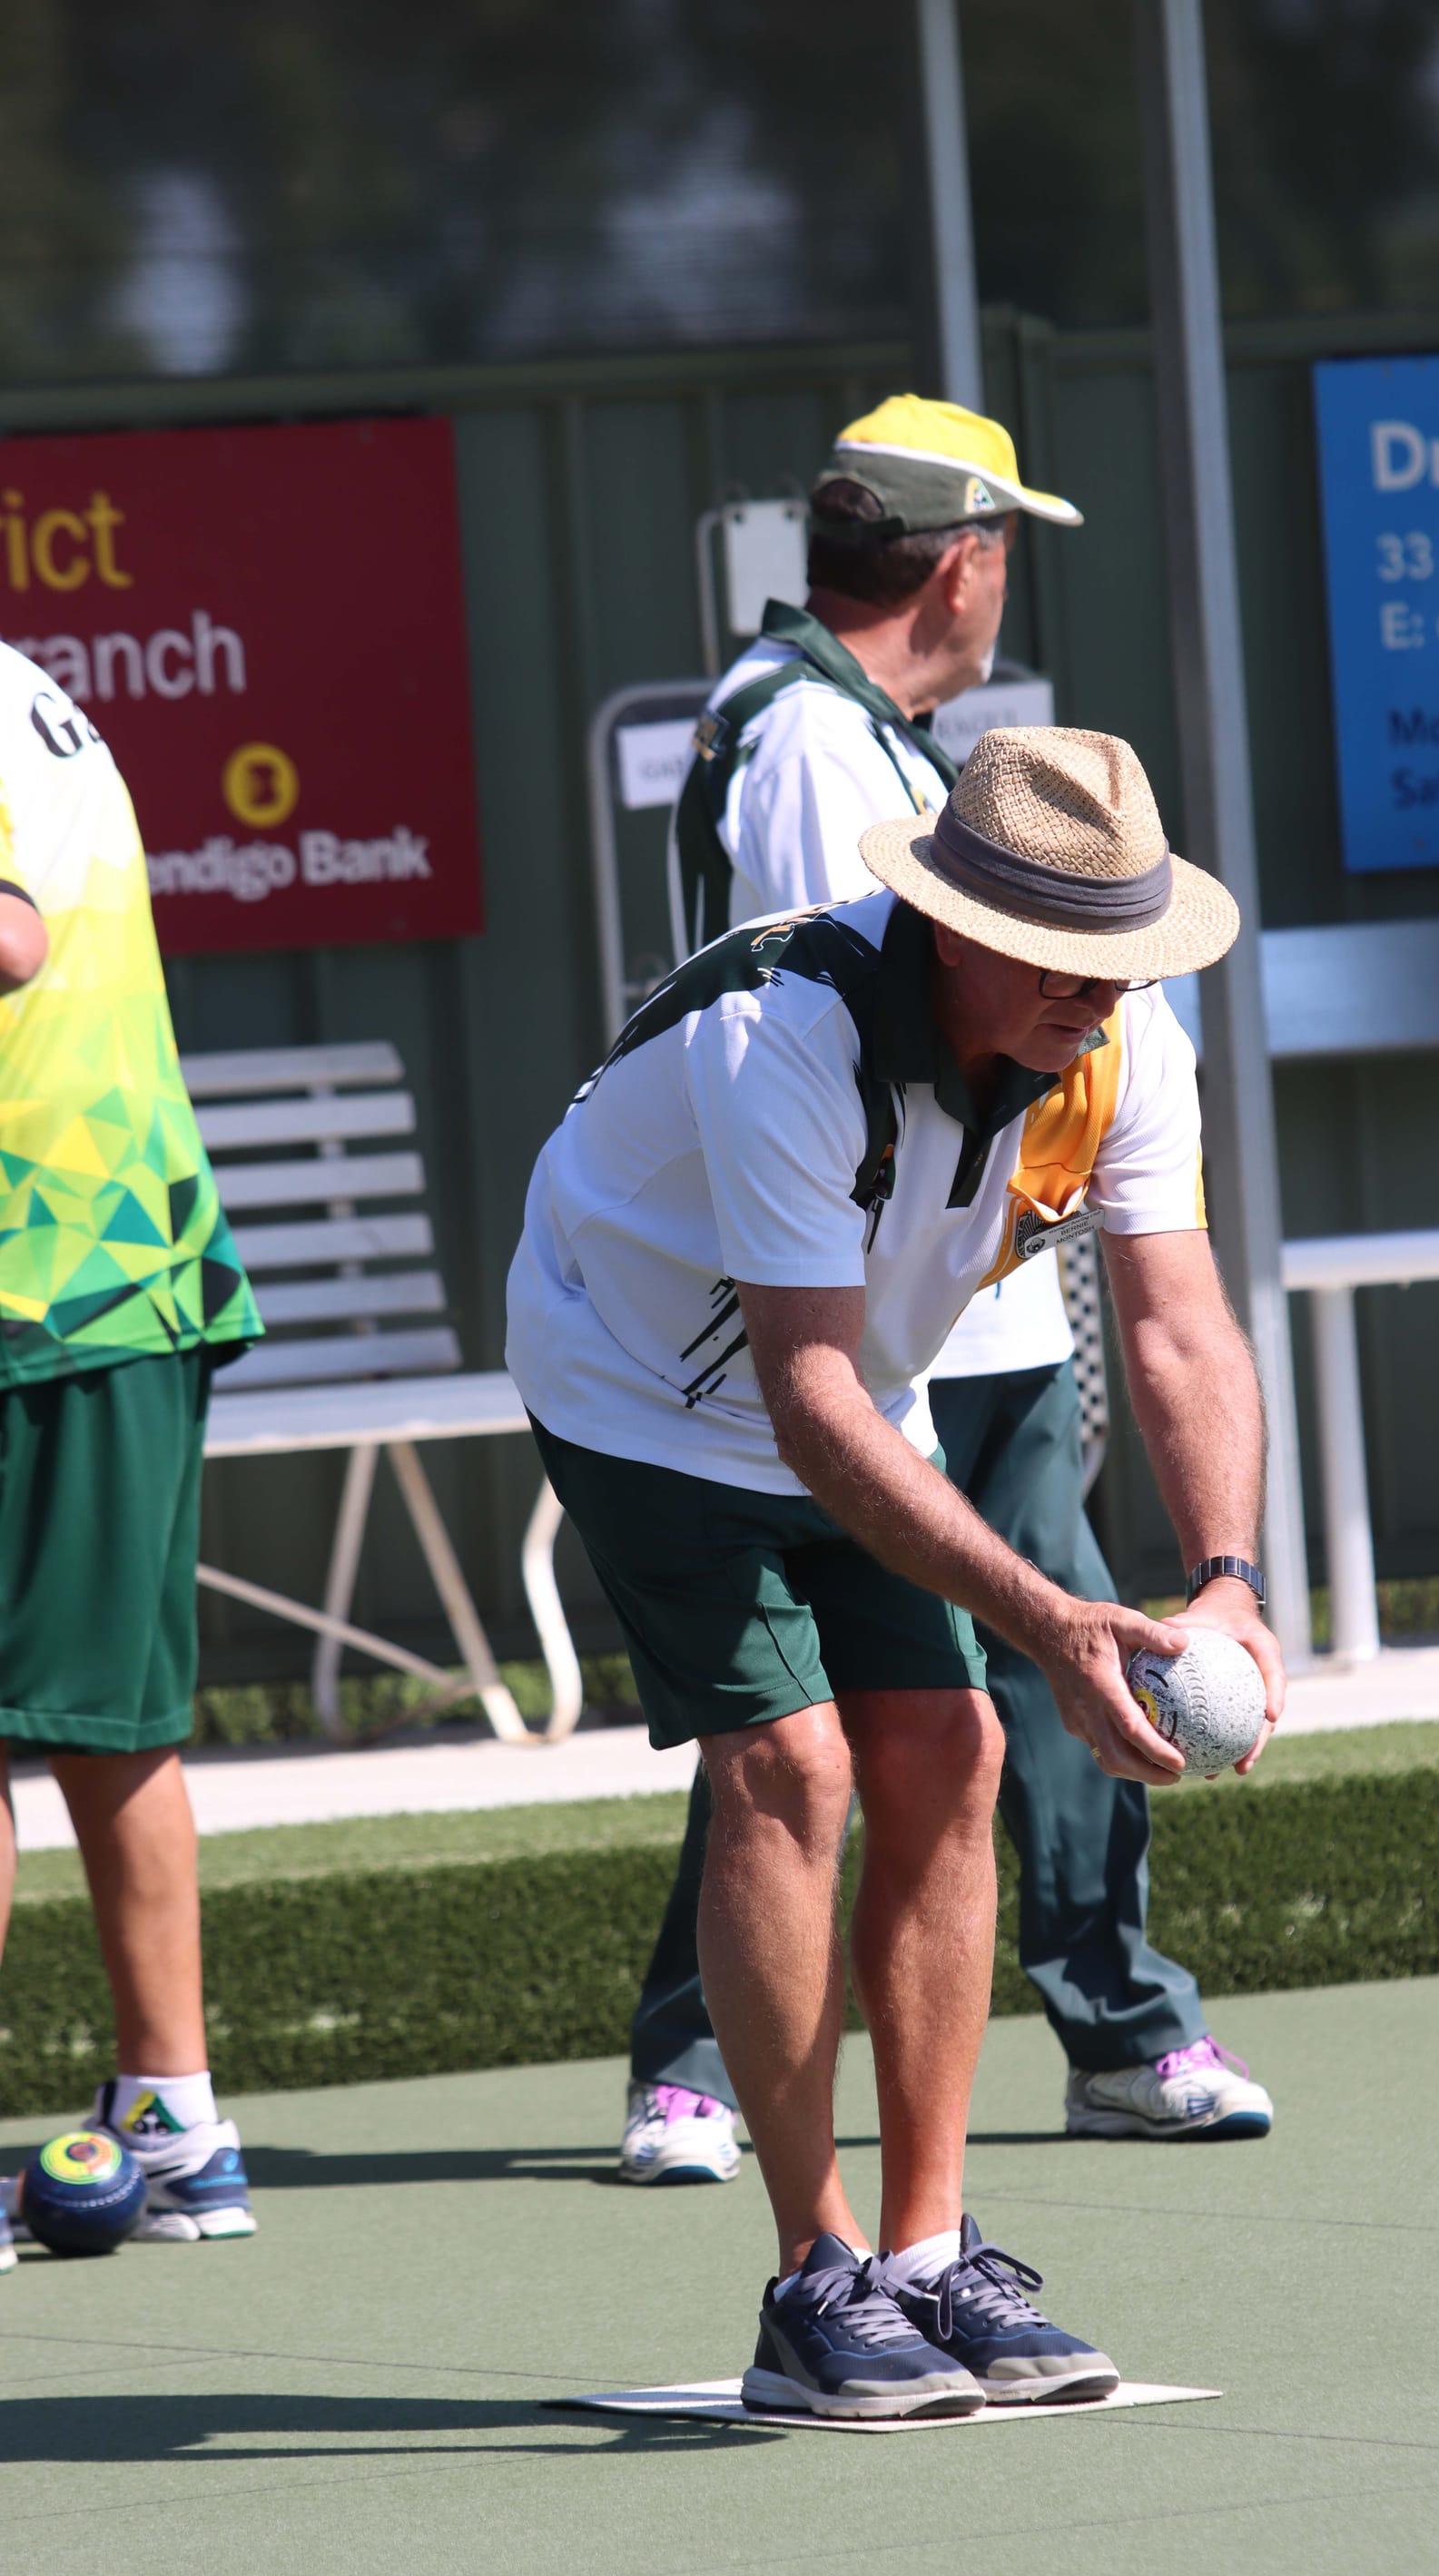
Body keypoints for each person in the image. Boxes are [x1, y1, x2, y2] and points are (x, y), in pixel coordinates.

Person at [508, 723, 1285, 2419]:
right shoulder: (787, 1036)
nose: (1106, 989)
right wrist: (1060, 1614)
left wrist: (1224, 1573)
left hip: (852, 1388)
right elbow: (798, 1398)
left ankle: (929, 2255)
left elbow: (1175, 1320)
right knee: (791, 1768)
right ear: (961, 930)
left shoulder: (1121, 1047)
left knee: (959, 1744)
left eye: (1124, 954)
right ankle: (816, 2278)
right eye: (1073, 956)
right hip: (637, 1383)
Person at [621, 394, 1273, 2192]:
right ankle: (1107, 2026)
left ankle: (721, 2069)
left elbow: (1177, 1307)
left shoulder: (857, 738)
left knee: (901, 1719)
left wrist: (1230, 1570)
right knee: (956, 1688)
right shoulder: (827, 758)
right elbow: (861, 1060)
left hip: (915, 1298)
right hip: (872, 1311)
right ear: (965, 559)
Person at [0, 643, 262, 2270]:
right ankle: (175, 2123)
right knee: (118, 1733)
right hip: (117, 1275)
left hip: (47, 1280)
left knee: (103, 1731)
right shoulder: (30, 686)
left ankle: (175, 2117)